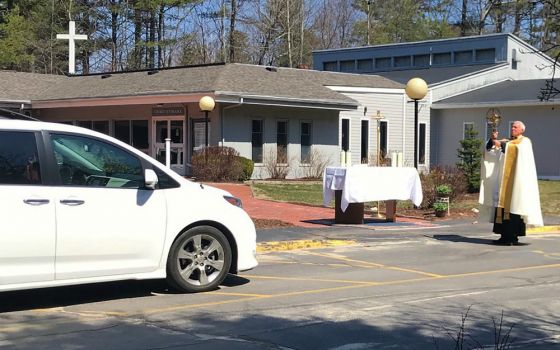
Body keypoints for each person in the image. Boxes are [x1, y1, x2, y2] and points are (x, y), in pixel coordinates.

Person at [479, 121, 543, 245]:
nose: (513, 129)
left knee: (514, 208)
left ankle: (513, 237)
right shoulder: (507, 141)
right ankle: (504, 236)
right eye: (512, 127)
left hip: (516, 182)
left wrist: (502, 144)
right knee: (502, 208)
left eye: (515, 127)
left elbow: (513, 148)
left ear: (522, 130)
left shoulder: (525, 142)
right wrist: (493, 141)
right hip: (504, 181)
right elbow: (493, 154)